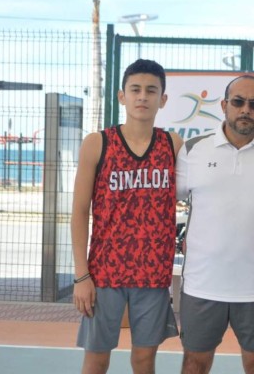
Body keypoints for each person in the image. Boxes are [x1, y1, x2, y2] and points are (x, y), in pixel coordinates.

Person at [175, 74, 254, 374]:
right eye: (238, 102)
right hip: (202, 283)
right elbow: (177, 198)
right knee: (194, 363)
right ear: (224, 105)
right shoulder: (193, 150)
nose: (246, 109)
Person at [71, 59, 183, 374]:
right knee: (96, 359)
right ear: (122, 96)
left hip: (153, 273)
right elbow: (79, 211)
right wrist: (81, 276)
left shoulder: (173, 145)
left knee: (144, 360)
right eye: (135, 89)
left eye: (151, 90)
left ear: (163, 99)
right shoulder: (98, 143)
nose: (142, 96)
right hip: (105, 272)